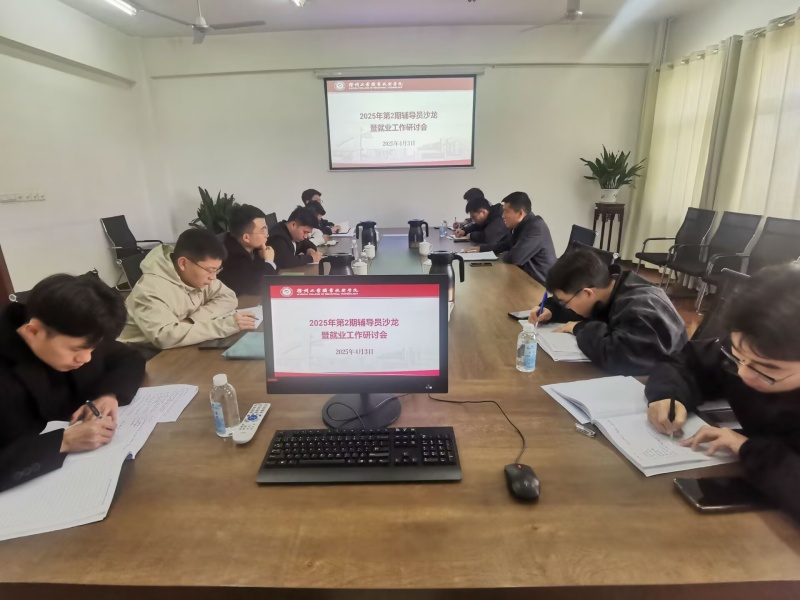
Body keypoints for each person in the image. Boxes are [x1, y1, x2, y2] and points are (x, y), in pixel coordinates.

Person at [645, 263, 800, 521]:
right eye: (737, 357)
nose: (744, 374)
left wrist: (747, 448)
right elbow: (686, 362)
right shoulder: (749, 347)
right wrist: (669, 394)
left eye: (767, 369)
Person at [0, 274, 145, 492]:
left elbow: (130, 357)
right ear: (33, 331)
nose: (86, 358)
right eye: (76, 349)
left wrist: (108, 394)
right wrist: (63, 441)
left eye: (92, 348)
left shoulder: (74, 329)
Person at [531, 247, 687, 376]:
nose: (566, 306)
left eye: (564, 302)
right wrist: (551, 309)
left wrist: (579, 327)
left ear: (587, 293)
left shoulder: (640, 308)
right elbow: (585, 309)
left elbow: (618, 357)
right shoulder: (610, 287)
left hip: (661, 385)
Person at [119, 228, 257, 351]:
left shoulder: (199, 276)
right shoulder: (150, 289)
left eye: (217, 270)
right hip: (141, 352)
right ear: (183, 263)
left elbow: (228, 297)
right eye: (210, 270)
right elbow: (165, 337)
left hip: (176, 345)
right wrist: (226, 325)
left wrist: (192, 320)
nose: (213, 277)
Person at [466, 191, 556, 285]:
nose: (503, 216)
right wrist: (481, 248)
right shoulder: (521, 226)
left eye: (506, 211)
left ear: (520, 213)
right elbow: (505, 245)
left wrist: (505, 253)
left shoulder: (535, 228)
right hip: (525, 277)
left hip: (540, 285)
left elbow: (514, 258)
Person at [218, 204, 277, 296]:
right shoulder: (233, 257)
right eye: (262, 230)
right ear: (246, 237)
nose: (267, 235)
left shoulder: (254, 247)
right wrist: (269, 261)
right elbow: (258, 288)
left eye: (266, 228)